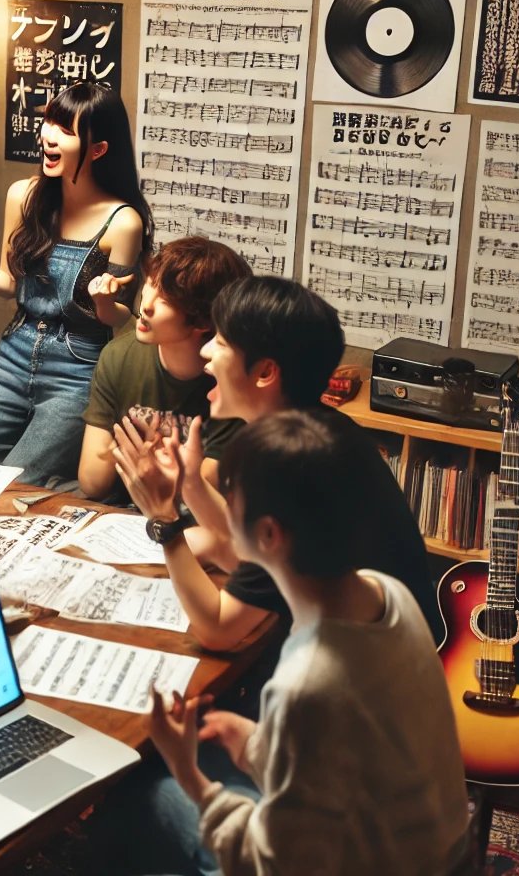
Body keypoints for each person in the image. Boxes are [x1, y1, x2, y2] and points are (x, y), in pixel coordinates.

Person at [94, 276, 445, 876]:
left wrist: (164, 520)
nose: (206, 351)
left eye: (221, 341)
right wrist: (191, 489)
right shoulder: (324, 453)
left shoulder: (301, 684)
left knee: (128, 799)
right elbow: (243, 555)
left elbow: (272, 861)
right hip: (421, 830)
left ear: (265, 372)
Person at [146, 409, 474, 875]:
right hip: (441, 855)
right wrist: (257, 746)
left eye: (232, 489)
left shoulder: (305, 685)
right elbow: (352, 747)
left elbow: (270, 865)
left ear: (269, 534)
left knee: (149, 794)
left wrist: (189, 775)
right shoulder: (386, 592)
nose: (226, 497)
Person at [0, 80, 150, 486]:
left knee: (16, 488)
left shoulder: (123, 221)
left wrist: (103, 300)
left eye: (66, 130)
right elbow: (7, 284)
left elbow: (119, 317)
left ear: (98, 149)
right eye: (49, 122)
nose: (47, 136)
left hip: (78, 369)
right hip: (12, 354)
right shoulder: (25, 195)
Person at [76, 236, 251, 504]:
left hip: (197, 521)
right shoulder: (119, 356)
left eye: (167, 299)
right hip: (122, 509)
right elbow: (92, 482)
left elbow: (204, 496)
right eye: (150, 284)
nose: (146, 305)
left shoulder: (227, 379)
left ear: (203, 319)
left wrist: (143, 462)